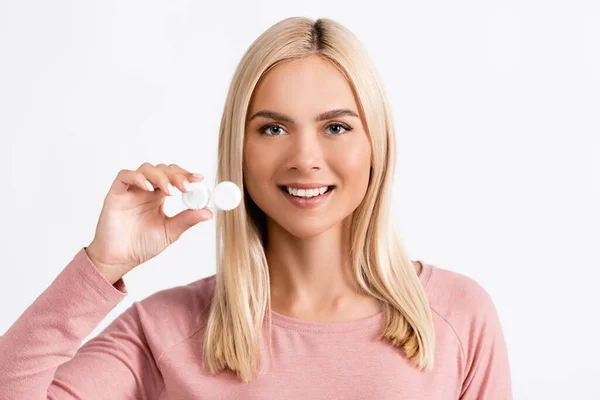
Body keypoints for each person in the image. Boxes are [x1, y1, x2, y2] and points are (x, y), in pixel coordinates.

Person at [0, 17, 512, 399]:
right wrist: (100, 266)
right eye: (273, 128)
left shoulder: (458, 317)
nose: (305, 158)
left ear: (376, 144)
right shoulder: (163, 331)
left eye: (336, 127)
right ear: (238, 152)